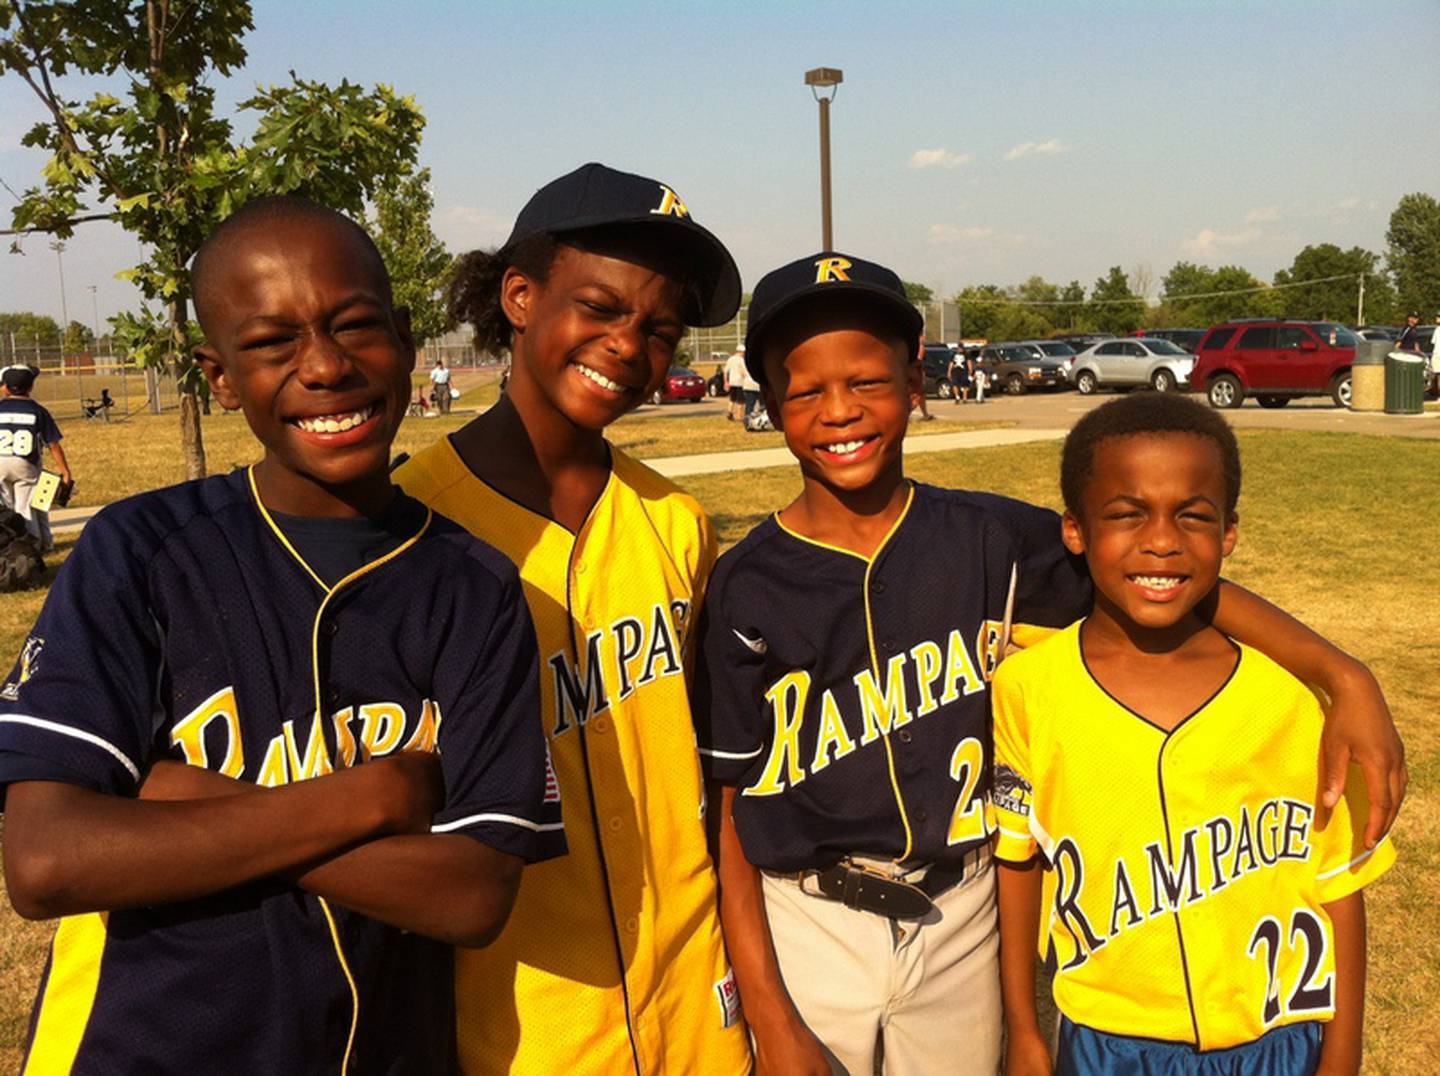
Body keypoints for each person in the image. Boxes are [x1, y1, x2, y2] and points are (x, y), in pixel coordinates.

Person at [691, 251, 1406, 1076]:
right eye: (807, 389)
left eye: (869, 382)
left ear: (916, 382)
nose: (840, 411)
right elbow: (731, 808)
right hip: (811, 916)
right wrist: (772, 1020)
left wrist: (1341, 673)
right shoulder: (749, 582)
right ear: (770, 402)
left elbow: (1159, 572)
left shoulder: (989, 537)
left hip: (958, 909)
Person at [0, 196, 564, 1072]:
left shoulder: (474, 585)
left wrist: (186, 800)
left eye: (354, 327)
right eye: (272, 343)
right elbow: (47, 859)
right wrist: (369, 800)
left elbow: (471, 894)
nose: (327, 367)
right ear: (219, 377)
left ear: (408, 339)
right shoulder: (144, 550)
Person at [394, 163, 753, 1075]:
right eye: (599, 307)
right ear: (520, 296)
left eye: (660, 328)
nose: (629, 344)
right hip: (521, 1027)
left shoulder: (672, 521)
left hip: (695, 1007)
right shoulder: (411, 526)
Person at [994, 393, 1395, 1075]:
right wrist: (1025, 1032)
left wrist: (1342, 1054)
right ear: (1074, 530)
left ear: (1228, 533)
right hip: (1107, 1043)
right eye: (1126, 514)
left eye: (1193, 516)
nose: (1161, 540)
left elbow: (1337, 882)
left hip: (1277, 1041)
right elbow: (1018, 858)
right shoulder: (1029, 689)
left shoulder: (1288, 697)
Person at [0, 364, 72, 552]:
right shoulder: (38, 410)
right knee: (27, 507)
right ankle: (33, 547)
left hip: (0, 462)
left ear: (5, 387)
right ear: (31, 387)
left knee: (7, 507)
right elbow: (53, 444)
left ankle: (10, 545)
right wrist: (65, 471)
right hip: (26, 464)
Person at [726, 345, 749, 421]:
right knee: (741, 401)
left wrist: (726, 382)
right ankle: (739, 416)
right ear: (741, 352)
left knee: (732, 399)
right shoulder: (741, 360)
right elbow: (743, 372)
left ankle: (730, 413)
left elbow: (726, 372)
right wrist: (747, 377)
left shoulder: (730, 359)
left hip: (732, 382)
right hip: (740, 382)